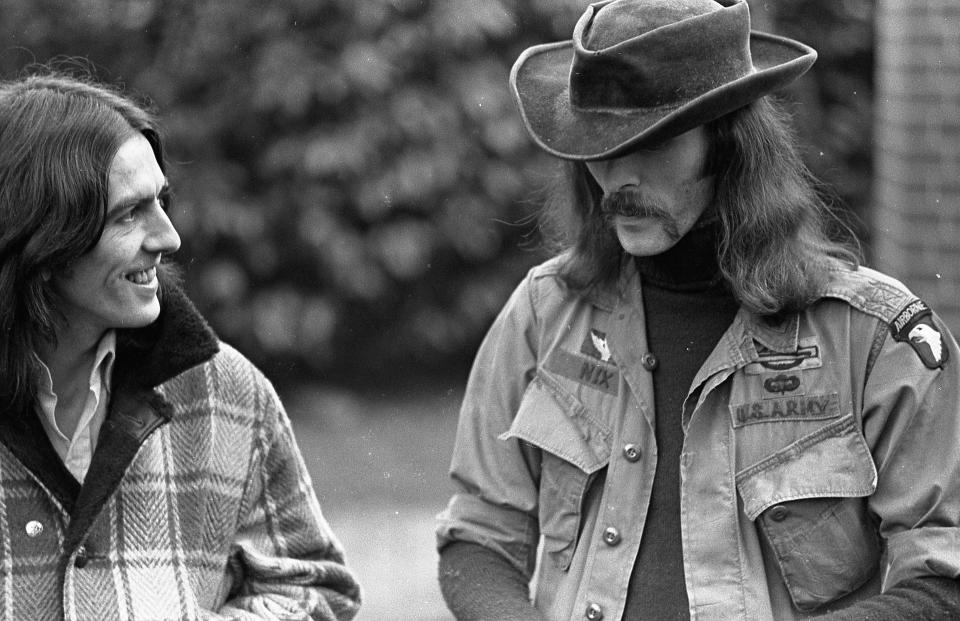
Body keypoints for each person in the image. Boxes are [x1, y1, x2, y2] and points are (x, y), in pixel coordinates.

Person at [435, 0, 960, 619]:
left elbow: (941, 574)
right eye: (599, 146)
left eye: (652, 142)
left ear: (729, 144)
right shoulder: (543, 316)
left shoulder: (875, 339)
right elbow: (477, 537)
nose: (618, 178)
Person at [0, 71, 360, 620]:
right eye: (129, 213)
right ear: (43, 238)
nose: (169, 237)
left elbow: (316, 591)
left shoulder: (228, 394)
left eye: (162, 201)